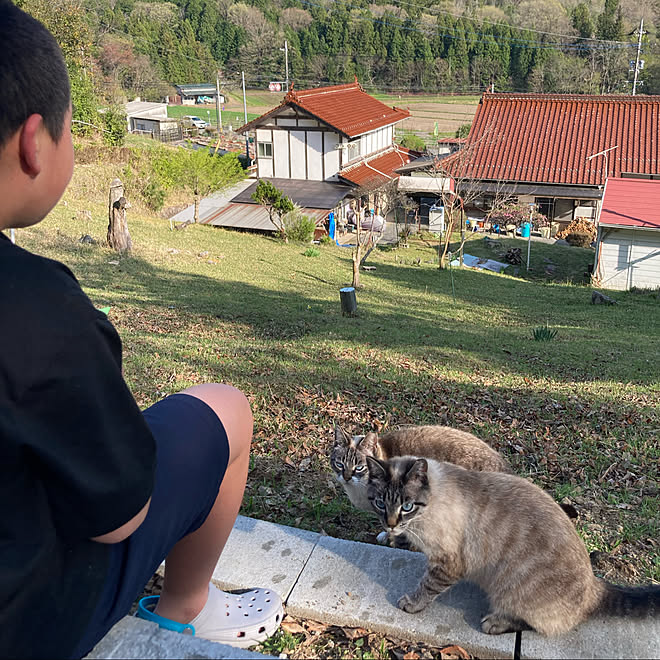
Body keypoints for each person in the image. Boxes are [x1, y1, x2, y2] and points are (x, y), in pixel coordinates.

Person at [0, 3, 281, 658]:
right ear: (34, 143)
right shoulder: (36, 308)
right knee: (226, 410)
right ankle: (186, 607)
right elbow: (119, 516)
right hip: (27, 624)